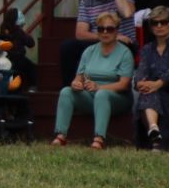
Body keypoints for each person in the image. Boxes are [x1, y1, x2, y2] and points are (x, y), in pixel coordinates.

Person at [51, 14, 133, 150]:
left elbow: (123, 85)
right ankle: (60, 135)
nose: (105, 32)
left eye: (110, 29)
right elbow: (79, 77)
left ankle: (99, 138)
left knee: (102, 94)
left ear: (117, 30)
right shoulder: (89, 51)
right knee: (66, 92)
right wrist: (76, 84)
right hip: (90, 95)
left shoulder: (125, 53)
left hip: (117, 98)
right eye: (101, 29)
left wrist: (100, 87)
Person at [58, 0, 136, 83]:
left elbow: (127, 12)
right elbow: (80, 34)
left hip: (124, 44)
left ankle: (114, 88)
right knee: (68, 47)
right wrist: (108, 36)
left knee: (123, 47)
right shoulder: (86, 1)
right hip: (100, 43)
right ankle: (72, 88)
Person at [130, 6, 169, 151]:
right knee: (147, 94)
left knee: (149, 94)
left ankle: (155, 138)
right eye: (155, 23)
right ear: (150, 27)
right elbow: (141, 70)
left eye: (163, 22)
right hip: (154, 92)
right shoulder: (147, 48)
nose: (159, 26)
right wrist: (140, 83)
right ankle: (154, 130)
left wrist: (157, 84)